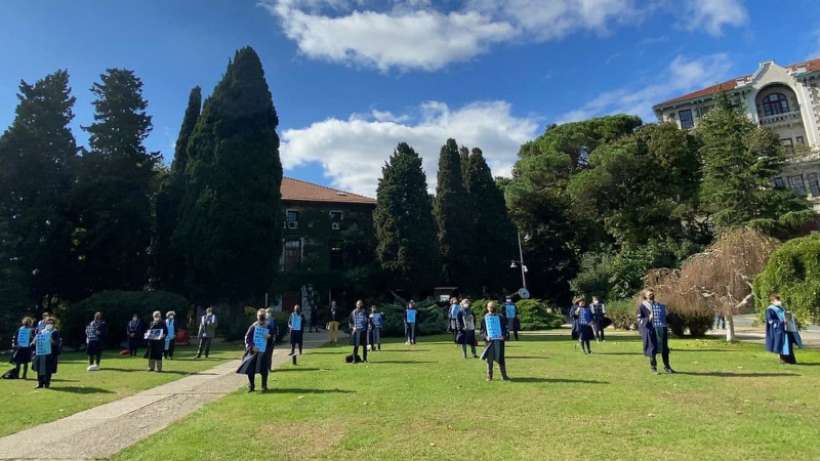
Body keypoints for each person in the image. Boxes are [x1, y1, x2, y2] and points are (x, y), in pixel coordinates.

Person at [637, 289, 674, 374]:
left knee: (665, 348)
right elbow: (639, 320)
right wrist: (648, 318)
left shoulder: (659, 305)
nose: (652, 295)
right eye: (649, 294)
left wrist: (666, 315)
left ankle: (667, 367)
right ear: (645, 296)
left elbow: (665, 316)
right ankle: (653, 368)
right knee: (652, 348)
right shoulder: (642, 306)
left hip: (661, 328)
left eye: (652, 294)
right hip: (651, 330)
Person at [237, 309, 274, 392]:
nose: (261, 319)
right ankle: (251, 386)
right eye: (260, 317)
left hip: (263, 351)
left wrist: (269, 336)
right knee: (251, 369)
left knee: (264, 369)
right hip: (253, 351)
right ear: (257, 317)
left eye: (263, 317)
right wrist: (251, 347)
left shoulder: (268, 326)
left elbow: (273, 337)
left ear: (265, 317)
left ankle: (264, 386)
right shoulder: (253, 326)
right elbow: (247, 338)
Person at [765, 294, 802, 364]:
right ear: (772, 301)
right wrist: (781, 322)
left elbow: (785, 316)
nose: (779, 301)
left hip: (786, 329)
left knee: (788, 344)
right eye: (777, 300)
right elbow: (770, 321)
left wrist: (790, 317)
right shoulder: (770, 309)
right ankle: (783, 360)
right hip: (778, 330)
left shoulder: (781, 308)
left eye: (779, 300)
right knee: (781, 345)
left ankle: (791, 360)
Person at [480, 301, 509, 381]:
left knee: (501, 358)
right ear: (487, 308)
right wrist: (486, 337)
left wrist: (504, 336)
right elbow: (482, 332)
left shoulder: (501, 317)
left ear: (495, 308)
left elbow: (506, 329)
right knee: (489, 359)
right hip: (489, 342)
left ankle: (504, 376)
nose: (491, 309)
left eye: (492, 307)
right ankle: (489, 376)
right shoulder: (484, 318)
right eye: (490, 307)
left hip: (499, 341)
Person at [31, 317, 61, 389]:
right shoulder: (41, 332)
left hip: (50, 354)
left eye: (51, 323)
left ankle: (47, 383)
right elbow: (33, 343)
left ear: (54, 324)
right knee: (40, 369)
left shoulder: (55, 332)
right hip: (41, 353)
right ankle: (40, 383)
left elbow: (57, 343)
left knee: (48, 369)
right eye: (48, 323)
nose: (49, 324)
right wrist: (33, 342)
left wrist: (51, 340)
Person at [265, 307, 279, 372]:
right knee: (266, 354)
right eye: (268, 312)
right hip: (265, 339)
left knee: (269, 354)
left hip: (270, 339)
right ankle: (266, 368)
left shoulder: (273, 320)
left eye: (269, 312)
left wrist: (274, 337)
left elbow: (276, 329)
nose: (268, 314)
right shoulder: (263, 320)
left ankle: (268, 368)